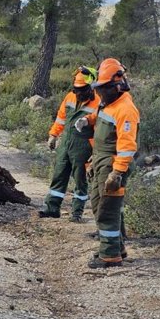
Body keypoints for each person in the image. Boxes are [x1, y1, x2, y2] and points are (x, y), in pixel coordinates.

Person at [75, 58, 139, 269]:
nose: (99, 94)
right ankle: (114, 246)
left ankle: (110, 256)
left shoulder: (125, 109)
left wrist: (117, 173)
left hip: (112, 165)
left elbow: (127, 146)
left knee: (108, 209)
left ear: (117, 85)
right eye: (98, 89)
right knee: (98, 203)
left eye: (103, 89)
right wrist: (88, 120)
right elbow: (101, 115)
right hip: (101, 160)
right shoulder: (109, 102)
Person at [39, 66, 100, 223]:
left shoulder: (99, 103)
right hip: (66, 142)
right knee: (59, 174)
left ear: (91, 87)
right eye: (76, 89)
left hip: (84, 145)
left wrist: (95, 152)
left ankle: (77, 212)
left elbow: (100, 131)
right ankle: (52, 208)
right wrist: (53, 135)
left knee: (80, 180)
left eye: (82, 89)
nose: (78, 92)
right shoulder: (70, 97)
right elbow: (61, 118)